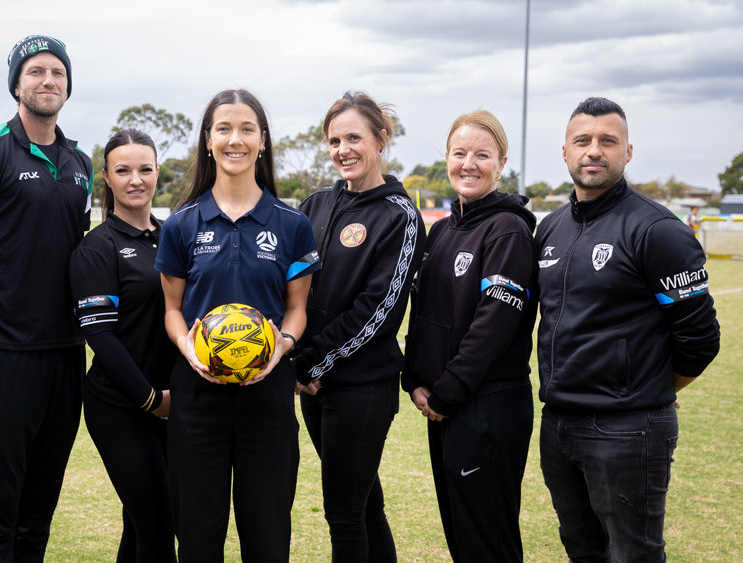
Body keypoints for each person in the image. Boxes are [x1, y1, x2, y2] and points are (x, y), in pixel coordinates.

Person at [536, 97, 720, 562]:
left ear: (628, 152)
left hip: (627, 429)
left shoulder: (658, 229)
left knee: (633, 554)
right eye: (583, 141)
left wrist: (655, 386)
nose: (593, 151)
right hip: (558, 424)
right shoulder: (552, 228)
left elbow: (700, 338)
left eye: (607, 141)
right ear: (564, 152)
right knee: (581, 547)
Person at [154, 89, 321, 563]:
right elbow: (172, 310)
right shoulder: (181, 225)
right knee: (198, 541)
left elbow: (297, 308)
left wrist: (282, 346)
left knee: (267, 539)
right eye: (224, 128)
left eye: (247, 128)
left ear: (263, 141)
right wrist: (190, 350)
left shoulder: (291, 224)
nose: (236, 139)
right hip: (197, 397)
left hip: (267, 397)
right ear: (208, 141)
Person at [0, 34, 92, 562]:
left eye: (57, 72)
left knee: (39, 506)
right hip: (2, 356)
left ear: (68, 84)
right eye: (35, 72)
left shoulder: (81, 163)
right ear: (16, 84)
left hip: (64, 354)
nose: (47, 80)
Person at [292, 91, 424, 563]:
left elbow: (378, 309)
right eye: (334, 140)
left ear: (381, 139)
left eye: (354, 137)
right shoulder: (314, 205)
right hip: (313, 385)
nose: (342, 149)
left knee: (344, 516)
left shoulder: (400, 216)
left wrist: (308, 362)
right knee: (365, 508)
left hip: (361, 389)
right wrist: (294, 359)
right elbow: (291, 288)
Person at [401, 110, 536, 562]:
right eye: (460, 153)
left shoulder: (508, 229)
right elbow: (423, 316)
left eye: (482, 154)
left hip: (488, 407)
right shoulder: (440, 231)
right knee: (463, 538)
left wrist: (446, 394)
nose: (469, 163)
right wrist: (415, 379)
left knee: (488, 542)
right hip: (446, 405)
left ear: (501, 162)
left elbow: (493, 326)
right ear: (446, 159)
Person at [70, 129, 179, 562]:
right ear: (107, 179)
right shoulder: (98, 247)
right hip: (121, 404)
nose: (136, 179)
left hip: (175, 402)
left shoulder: (176, 235)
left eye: (145, 169)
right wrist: (151, 400)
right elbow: (100, 335)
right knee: (156, 524)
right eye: (123, 170)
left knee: (141, 524)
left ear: (157, 173)